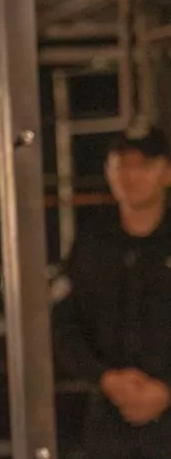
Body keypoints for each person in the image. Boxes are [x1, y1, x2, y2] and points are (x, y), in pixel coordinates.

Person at [51, 123, 171, 459]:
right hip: (108, 422)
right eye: (122, 165)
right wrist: (106, 378)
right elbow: (62, 322)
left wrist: (166, 389)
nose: (132, 176)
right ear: (108, 171)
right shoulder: (92, 244)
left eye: (144, 165)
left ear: (166, 172)